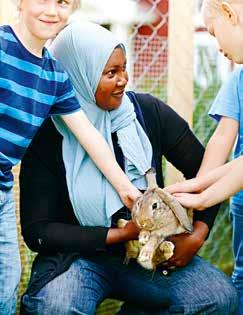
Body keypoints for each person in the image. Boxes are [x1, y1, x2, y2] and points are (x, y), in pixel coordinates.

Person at [19, 21, 238, 315]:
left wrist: (198, 233)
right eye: (111, 73)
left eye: (123, 69)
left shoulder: (146, 113)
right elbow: (38, 231)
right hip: (78, 257)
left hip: (150, 251)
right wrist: (121, 235)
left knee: (217, 298)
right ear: (78, 76)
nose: (123, 80)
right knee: (56, 306)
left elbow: (206, 174)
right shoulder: (49, 134)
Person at [0, 1, 141, 313]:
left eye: (62, 2)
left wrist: (126, 189)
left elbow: (89, 136)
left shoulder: (54, 76)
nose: (52, 10)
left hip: (2, 190)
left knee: (6, 282)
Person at [166, 0, 243, 313]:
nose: (217, 46)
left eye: (213, 33)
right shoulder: (238, 80)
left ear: (229, 13)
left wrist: (201, 198)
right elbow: (223, 139)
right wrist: (197, 191)